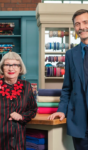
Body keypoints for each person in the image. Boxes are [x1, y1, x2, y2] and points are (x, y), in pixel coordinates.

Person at [48, 9, 88, 150]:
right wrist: (61, 110)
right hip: (79, 120)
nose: (81, 27)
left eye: (85, 22)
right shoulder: (71, 54)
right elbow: (67, 88)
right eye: (77, 24)